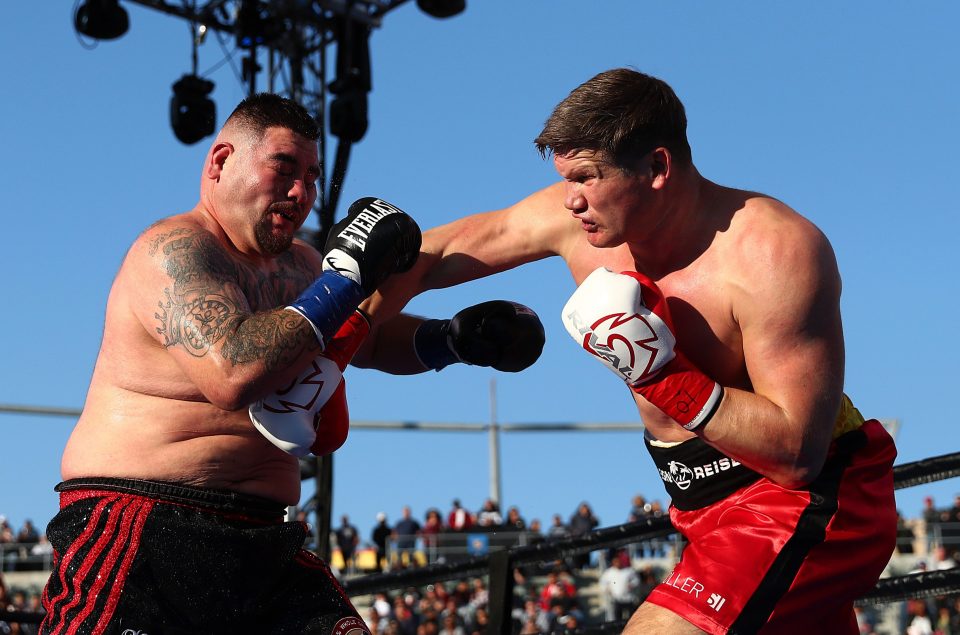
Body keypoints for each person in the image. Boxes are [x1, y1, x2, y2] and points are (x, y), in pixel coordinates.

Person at [364, 68, 897, 633]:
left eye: (587, 179)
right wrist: (331, 306)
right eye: (565, 178)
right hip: (701, 507)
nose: (570, 200)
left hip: (809, 500)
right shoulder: (577, 220)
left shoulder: (772, 251)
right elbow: (432, 257)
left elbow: (797, 452)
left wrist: (662, 376)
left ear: (657, 167)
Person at [40, 93, 545, 635]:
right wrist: (346, 278)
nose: (302, 192)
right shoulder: (173, 251)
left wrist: (450, 339)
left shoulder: (303, 265)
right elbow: (230, 370)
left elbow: (363, 341)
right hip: (142, 523)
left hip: (261, 538)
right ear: (220, 161)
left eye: (311, 174)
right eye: (283, 168)